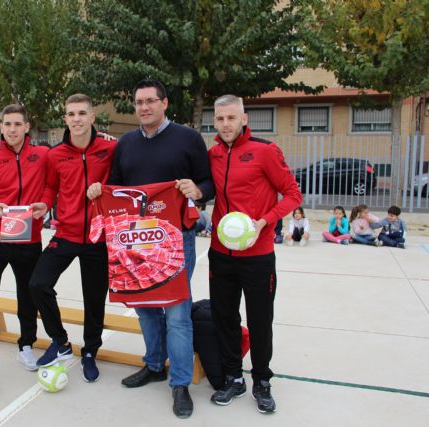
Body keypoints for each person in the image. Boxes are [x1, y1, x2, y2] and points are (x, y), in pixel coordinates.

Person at [89, 79, 214, 419]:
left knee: (176, 312)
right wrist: (101, 190)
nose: (143, 107)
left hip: (176, 239)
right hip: (135, 240)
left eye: (150, 101)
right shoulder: (127, 143)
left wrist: (196, 190)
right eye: (138, 102)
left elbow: (208, 183)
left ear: (164, 103)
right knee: (144, 305)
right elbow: (118, 188)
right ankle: (155, 364)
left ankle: (180, 383)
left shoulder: (188, 138)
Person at [207, 95, 301, 414]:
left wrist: (265, 221)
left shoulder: (265, 151)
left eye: (231, 118)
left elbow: (292, 194)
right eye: (219, 119)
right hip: (220, 255)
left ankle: (261, 380)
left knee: (260, 320)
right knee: (225, 318)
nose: (225, 125)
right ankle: (234, 377)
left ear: (244, 119)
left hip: (258, 256)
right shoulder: (213, 154)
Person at [29, 93, 117, 383]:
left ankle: (90, 351)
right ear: (65, 119)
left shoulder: (109, 149)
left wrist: (103, 188)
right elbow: (51, 188)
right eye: (71, 114)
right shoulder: (55, 155)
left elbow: (120, 182)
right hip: (65, 233)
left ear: (93, 117)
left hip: (98, 237)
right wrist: (44, 204)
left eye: (82, 113)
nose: (76, 119)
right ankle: (60, 341)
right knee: (38, 284)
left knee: (94, 301)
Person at [0, 104, 49, 372]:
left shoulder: (42, 155)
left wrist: (46, 204)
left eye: (17, 124)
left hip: (29, 239)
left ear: (27, 127)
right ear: (1, 127)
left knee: (28, 294)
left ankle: (26, 345)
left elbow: (51, 186)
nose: (12, 129)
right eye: (7, 124)